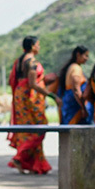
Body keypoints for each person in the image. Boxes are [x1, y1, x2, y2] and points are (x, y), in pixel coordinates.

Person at [7, 36, 59, 175]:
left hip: (21, 96)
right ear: (32, 46)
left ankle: (32, 163)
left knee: (27, 130)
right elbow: (32, 84)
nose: (39, 47)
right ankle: (20, 157)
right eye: (38, 44)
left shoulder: (19, 61)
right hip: (29, 98)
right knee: (39, 127)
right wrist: (52, 95)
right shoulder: (31, 62)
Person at [57, 46, 92, 125]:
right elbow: (76, 90)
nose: (87, 58)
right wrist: (83, 108)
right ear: (78, 55)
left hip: (70, 103)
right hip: (74, 105)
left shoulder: (73, 67)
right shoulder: (76, 68)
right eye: (86, 56)